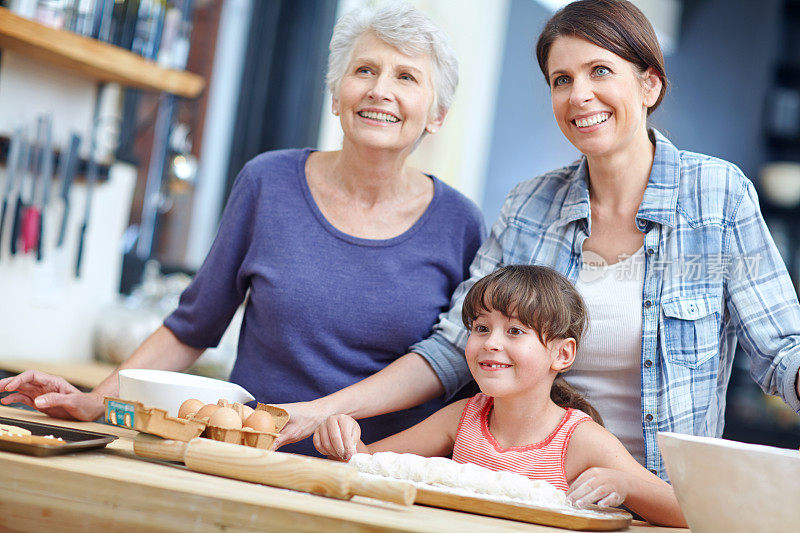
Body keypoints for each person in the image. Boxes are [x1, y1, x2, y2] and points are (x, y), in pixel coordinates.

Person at [275, 0, 800, 477]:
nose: (580, 95)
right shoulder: (530, 205)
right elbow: (455, 350)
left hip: (662, 500)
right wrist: (324, 410)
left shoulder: (717, 196)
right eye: (561, 79)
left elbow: (782, 351)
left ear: (649, 85)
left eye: (600, 71)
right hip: (529, 490)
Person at [0, 3, 485, 456]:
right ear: (336, 96)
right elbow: (193, 325)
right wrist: (98, 400)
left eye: (406, 77)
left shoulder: (460, 223)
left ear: (437, 115)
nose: (380, 89)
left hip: (375, 475)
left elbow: (457, 367)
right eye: (364, 70)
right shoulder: (267, 182)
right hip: (246, 459)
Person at [314, 266, 686, 527]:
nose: (491, 343)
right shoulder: (462, 418)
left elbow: (689, 513)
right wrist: (342, 435)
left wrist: (627, 485)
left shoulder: (579, 440)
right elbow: (366, 463)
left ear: (562, 354)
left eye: (514, 331)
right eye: (481, 328)